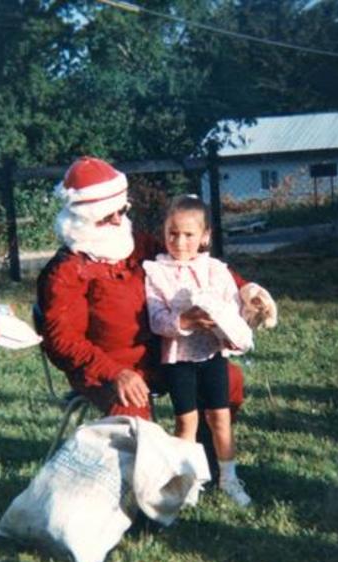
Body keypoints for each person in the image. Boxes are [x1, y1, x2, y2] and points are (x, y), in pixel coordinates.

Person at [37, 156, 276, 427]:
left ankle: (203, 458)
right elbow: (62, 340)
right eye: (107, 216)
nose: (118, 220)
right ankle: (150, 466)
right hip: (107, 369)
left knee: (229, 382)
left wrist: (245, 289)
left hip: (165, 353)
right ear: (80, 220)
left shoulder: (137, 244)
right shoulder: (66, 272)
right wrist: (114, 373)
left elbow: (192, 263)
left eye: (122, 210)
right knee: (133, 417)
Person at [143, 195, 274, 506]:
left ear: (205, 237)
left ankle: (228, 479)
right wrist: (185, 320)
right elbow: (156, 319)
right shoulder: (155, 272)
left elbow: (234, 309)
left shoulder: (215, 269)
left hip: (213, 356)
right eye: (172, 233)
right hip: (178, 359)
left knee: (220, 418)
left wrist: (239, 315)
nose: (180, 241)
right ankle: (186, 482)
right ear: (163, 231)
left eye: (189, 235)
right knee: (186, 422)